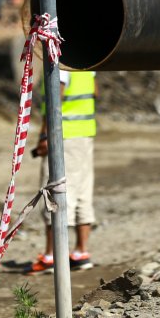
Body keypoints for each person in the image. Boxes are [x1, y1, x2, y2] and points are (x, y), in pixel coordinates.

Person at [29, 66, 98, 274]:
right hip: (84, 134)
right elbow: (95, 91)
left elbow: (54, 103)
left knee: (55, 193)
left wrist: (44, 136)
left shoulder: (59, 64)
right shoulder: (87, 62)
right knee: (83, 192)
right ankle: (80, 253)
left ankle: (51, 256)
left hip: (63, 137)